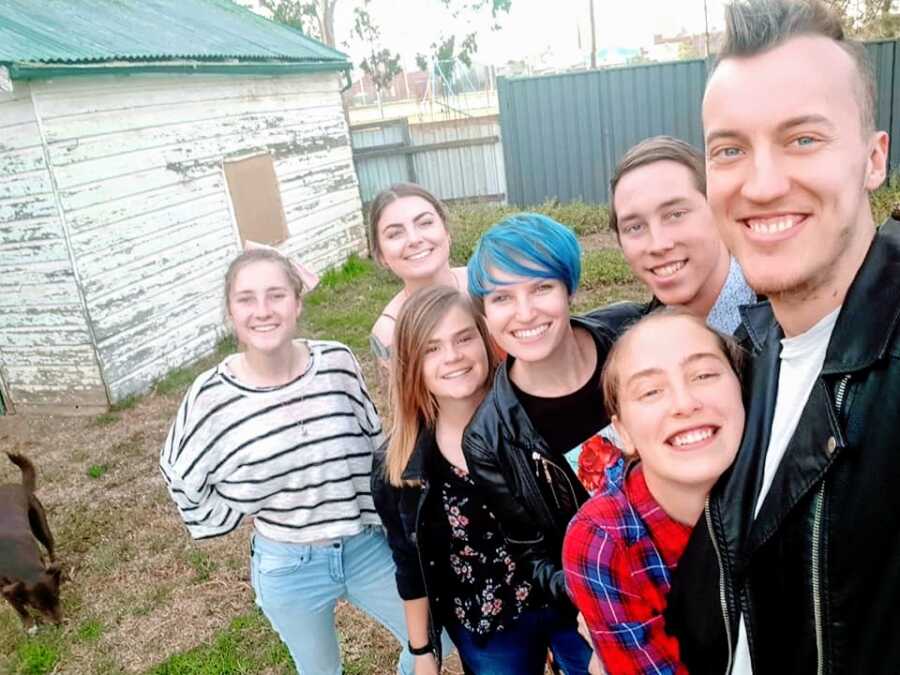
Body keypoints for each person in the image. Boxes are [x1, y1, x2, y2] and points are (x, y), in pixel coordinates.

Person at [664, 1, 900, 674]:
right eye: (731, 149)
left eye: (803, 139)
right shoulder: (754, 348)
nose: (762, 184)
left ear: (873, 158)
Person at [159, 248, 414, 675]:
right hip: (289, 565)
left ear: (297, 302)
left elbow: (371, 441)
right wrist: (232, 510)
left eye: (276, 295)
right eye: (246, 299)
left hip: (364, 545)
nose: (263, 311)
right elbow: (179, 474)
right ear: (230, 313)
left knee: (433, 637)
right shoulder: (210, 398)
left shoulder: (337, 362)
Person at [462, 213, 643, 675]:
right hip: (601, 613)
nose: (524, 313)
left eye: (541, 288)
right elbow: (535, 560)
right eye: (502, 297)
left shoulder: (632, 333)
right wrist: (607, 589)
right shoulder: (489, 438)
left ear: (569, 289)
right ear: (485, 312)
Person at [373, 285, 566, 675]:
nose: (453, 357)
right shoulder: (399, 464)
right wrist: (422, 650)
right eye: (432, 348)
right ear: (412, 365)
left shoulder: (533, 418)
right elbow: (409, 563)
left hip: (566, 598)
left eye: (464, 338)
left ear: (487, 341)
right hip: (486, 623)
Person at [563, 308, 746, 675]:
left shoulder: (799, 483)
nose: (684, 404)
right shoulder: (604, 542)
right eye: (650, 391)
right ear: (622, 432)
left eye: (704, 374)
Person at [609, 136, 756, 334]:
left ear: (718, 211)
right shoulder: (636, 346)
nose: (658, 244)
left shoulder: (790, 320)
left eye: (675, 215)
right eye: (635, 227)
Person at [368, 183, 468, 368]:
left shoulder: (486, 284)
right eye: (395, 234)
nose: (414, 239)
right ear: (381, 255)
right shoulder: (390, 332)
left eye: (425, 223)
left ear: (446, 231)